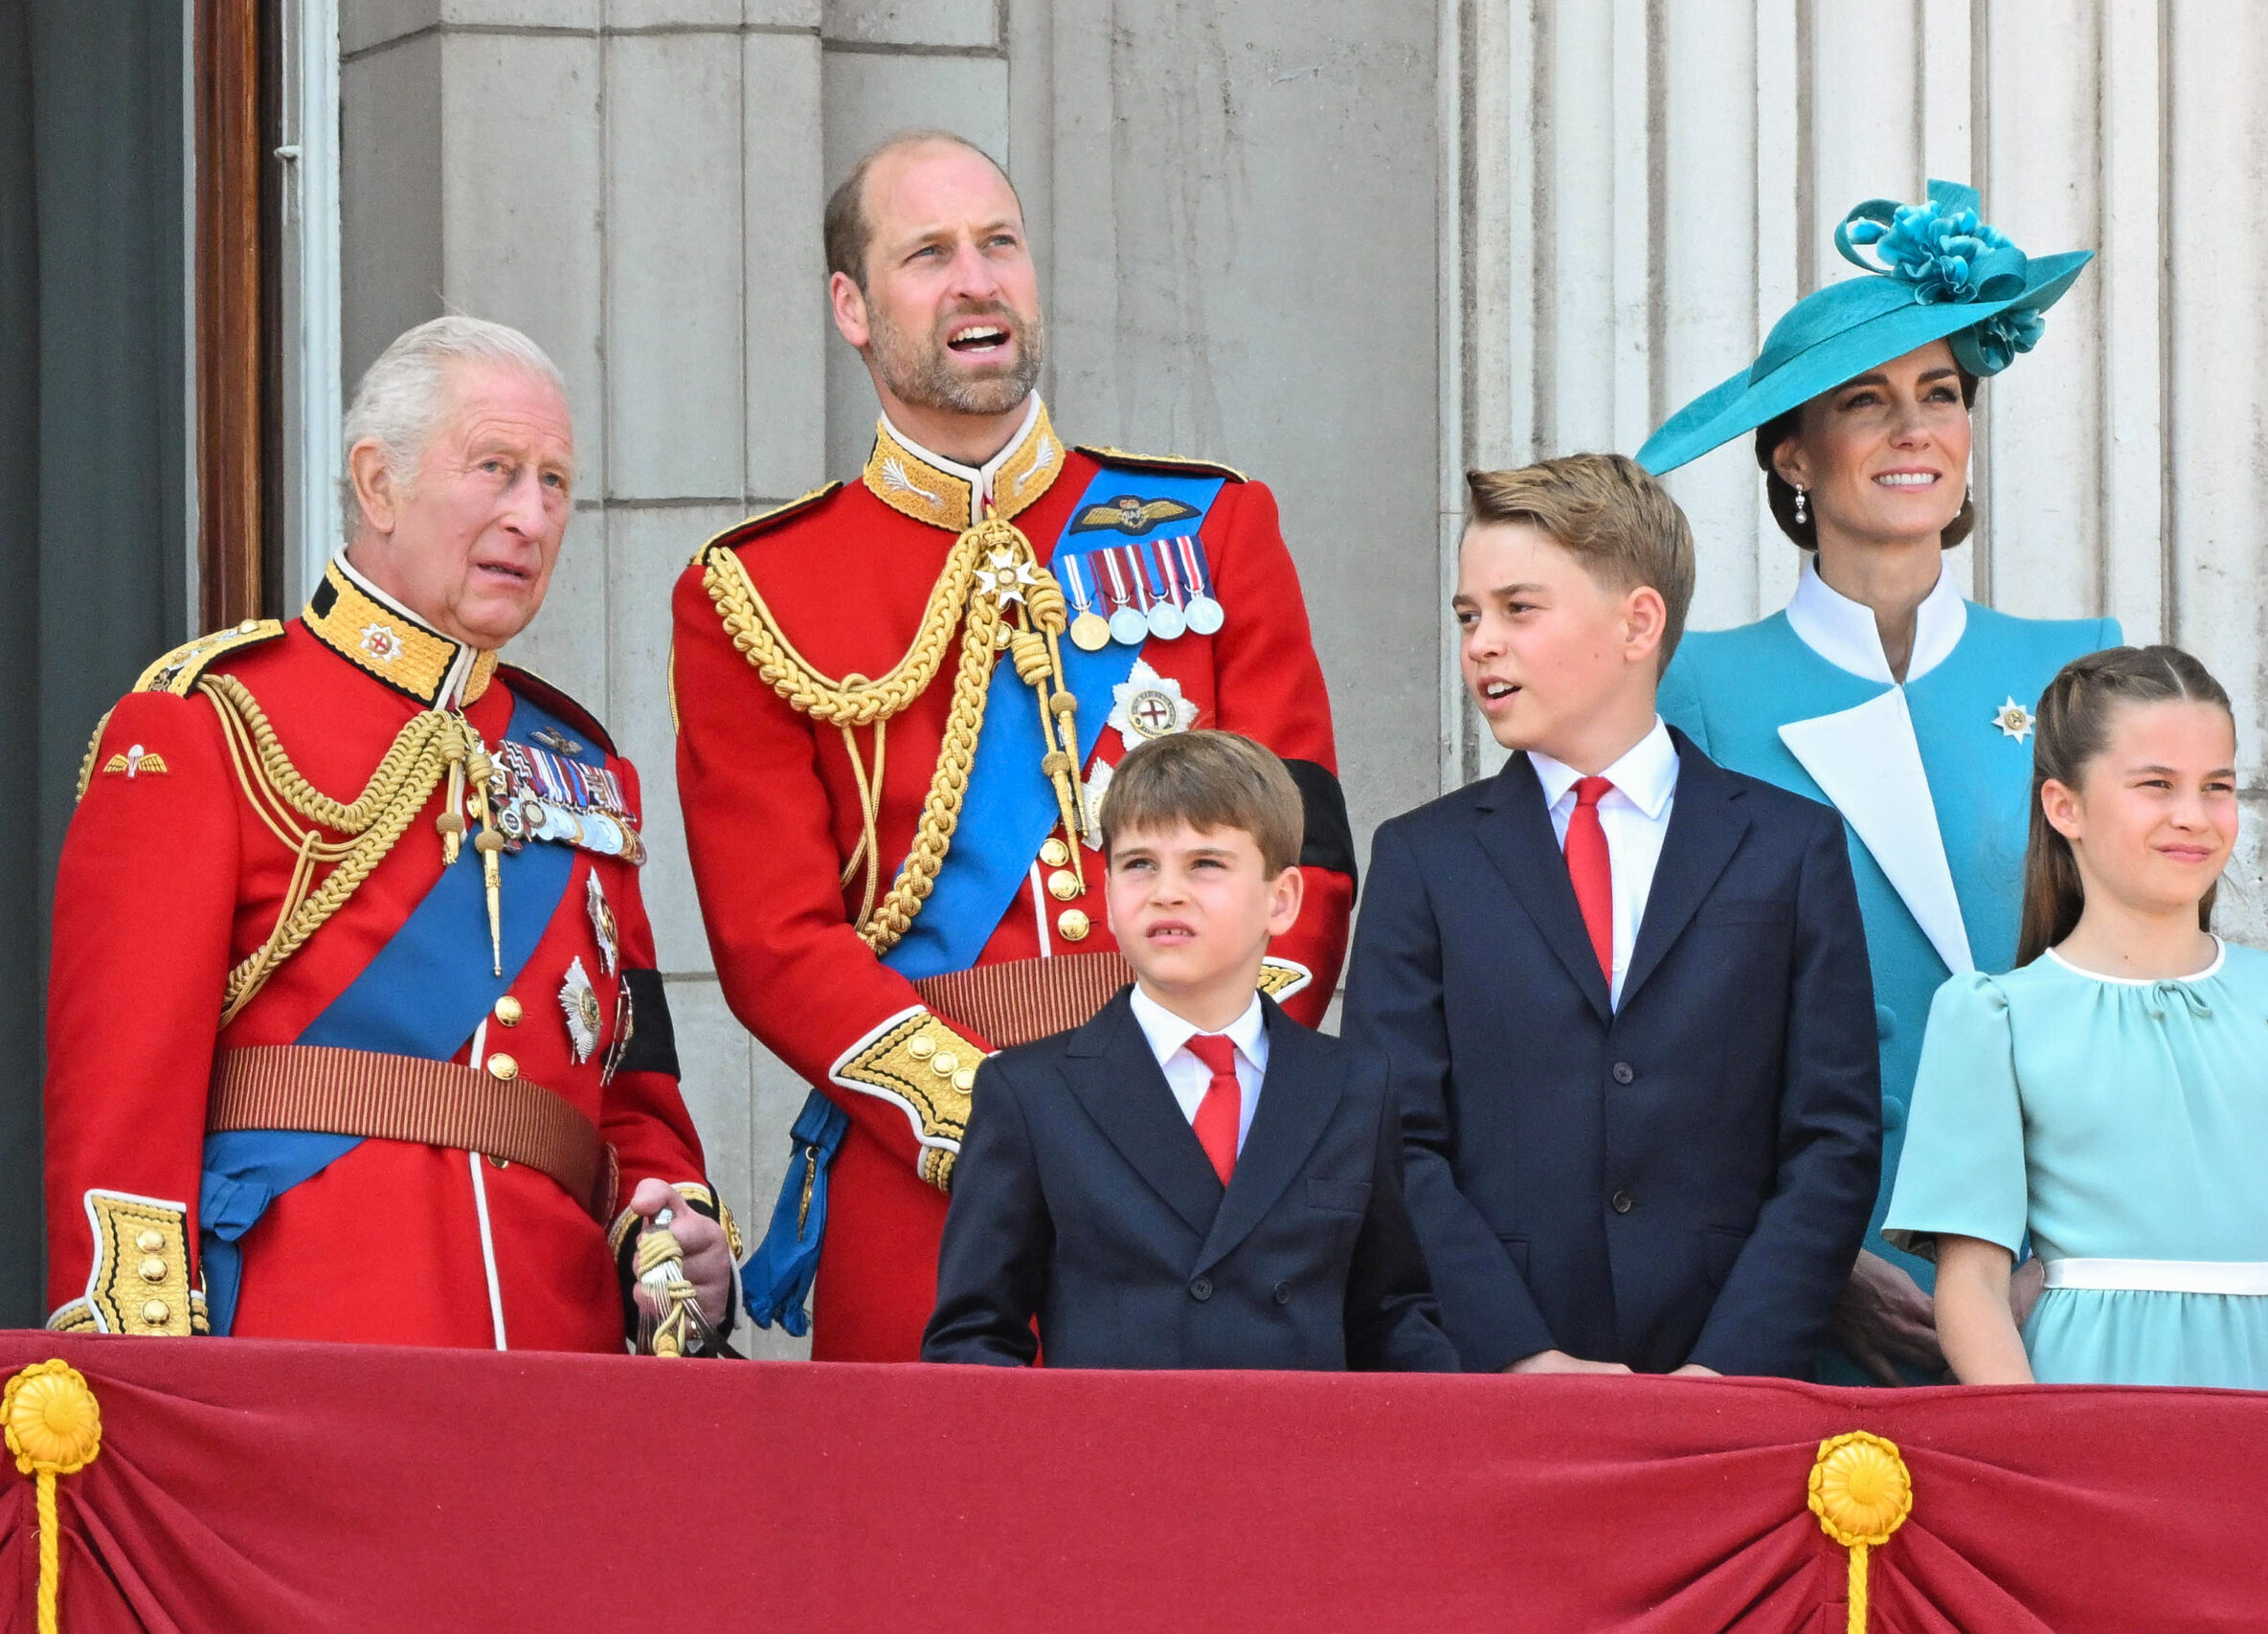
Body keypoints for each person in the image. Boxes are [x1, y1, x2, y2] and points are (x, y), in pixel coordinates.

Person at [671, 130, 1355, 1361]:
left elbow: (1307, 849)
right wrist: (994, 1121)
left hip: (1206, 1160)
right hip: (929, 1184)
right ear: (852, 307)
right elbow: (772, 942)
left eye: (999, 244)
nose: (976, 280)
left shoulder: (1214, 526)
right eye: (928, 255)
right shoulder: (754, 591)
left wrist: (1206, 1073)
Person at [43, 317, 739, 1352]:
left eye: (554, 483)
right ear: (378, 485)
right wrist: (146, 1389)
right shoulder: (211, 725)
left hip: (560, 1368)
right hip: (307, 1357)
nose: (531, 514)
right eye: (495, 469)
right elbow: (122, 1112)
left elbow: (630, 1100)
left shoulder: (584, 772)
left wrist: (677, 1230)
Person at [1642, 179, 2117, 1383]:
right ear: (1793, 452)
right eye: (1868, 400)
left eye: (1942, 395)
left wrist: (2053, 1256)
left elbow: (2129, 985)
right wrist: (1817, 1263)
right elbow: (1672, 1023)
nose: (1916, 430)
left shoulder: (2074, 665)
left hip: (2055, 1277)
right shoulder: (1696, 686)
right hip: (1793, 1284)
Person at [1343, 453, 1880, 1378]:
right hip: (1491, 1384)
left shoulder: (1790, 849)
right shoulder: (1422, 859)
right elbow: (1396, 1141)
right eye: (1469, 615)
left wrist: (1729, 1368)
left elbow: (1831, 1137)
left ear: (1638, 622)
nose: (1480, 642)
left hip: (1729, 1380)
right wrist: (1520, 1357)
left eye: (1519, 608)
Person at [1883, 646, 2268, 1392]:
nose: (2193, 817)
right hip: (2086, 1406)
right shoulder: (1997, 1018)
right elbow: (1972, 1280)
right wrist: (2033, 1449)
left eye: (2217, 786)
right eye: (2156, 785)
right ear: (2063, 806)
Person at [923, 731, 1454, 1372]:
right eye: (1139, 863)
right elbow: (975, 1337)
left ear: (1280, 900)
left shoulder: (1355, 1084)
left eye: (1205, 863)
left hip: (1303, 1463)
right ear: (1111, 897)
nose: (1166, 891)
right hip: (1111, 1464)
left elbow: (1388, 1314)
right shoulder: (1030, 1092)